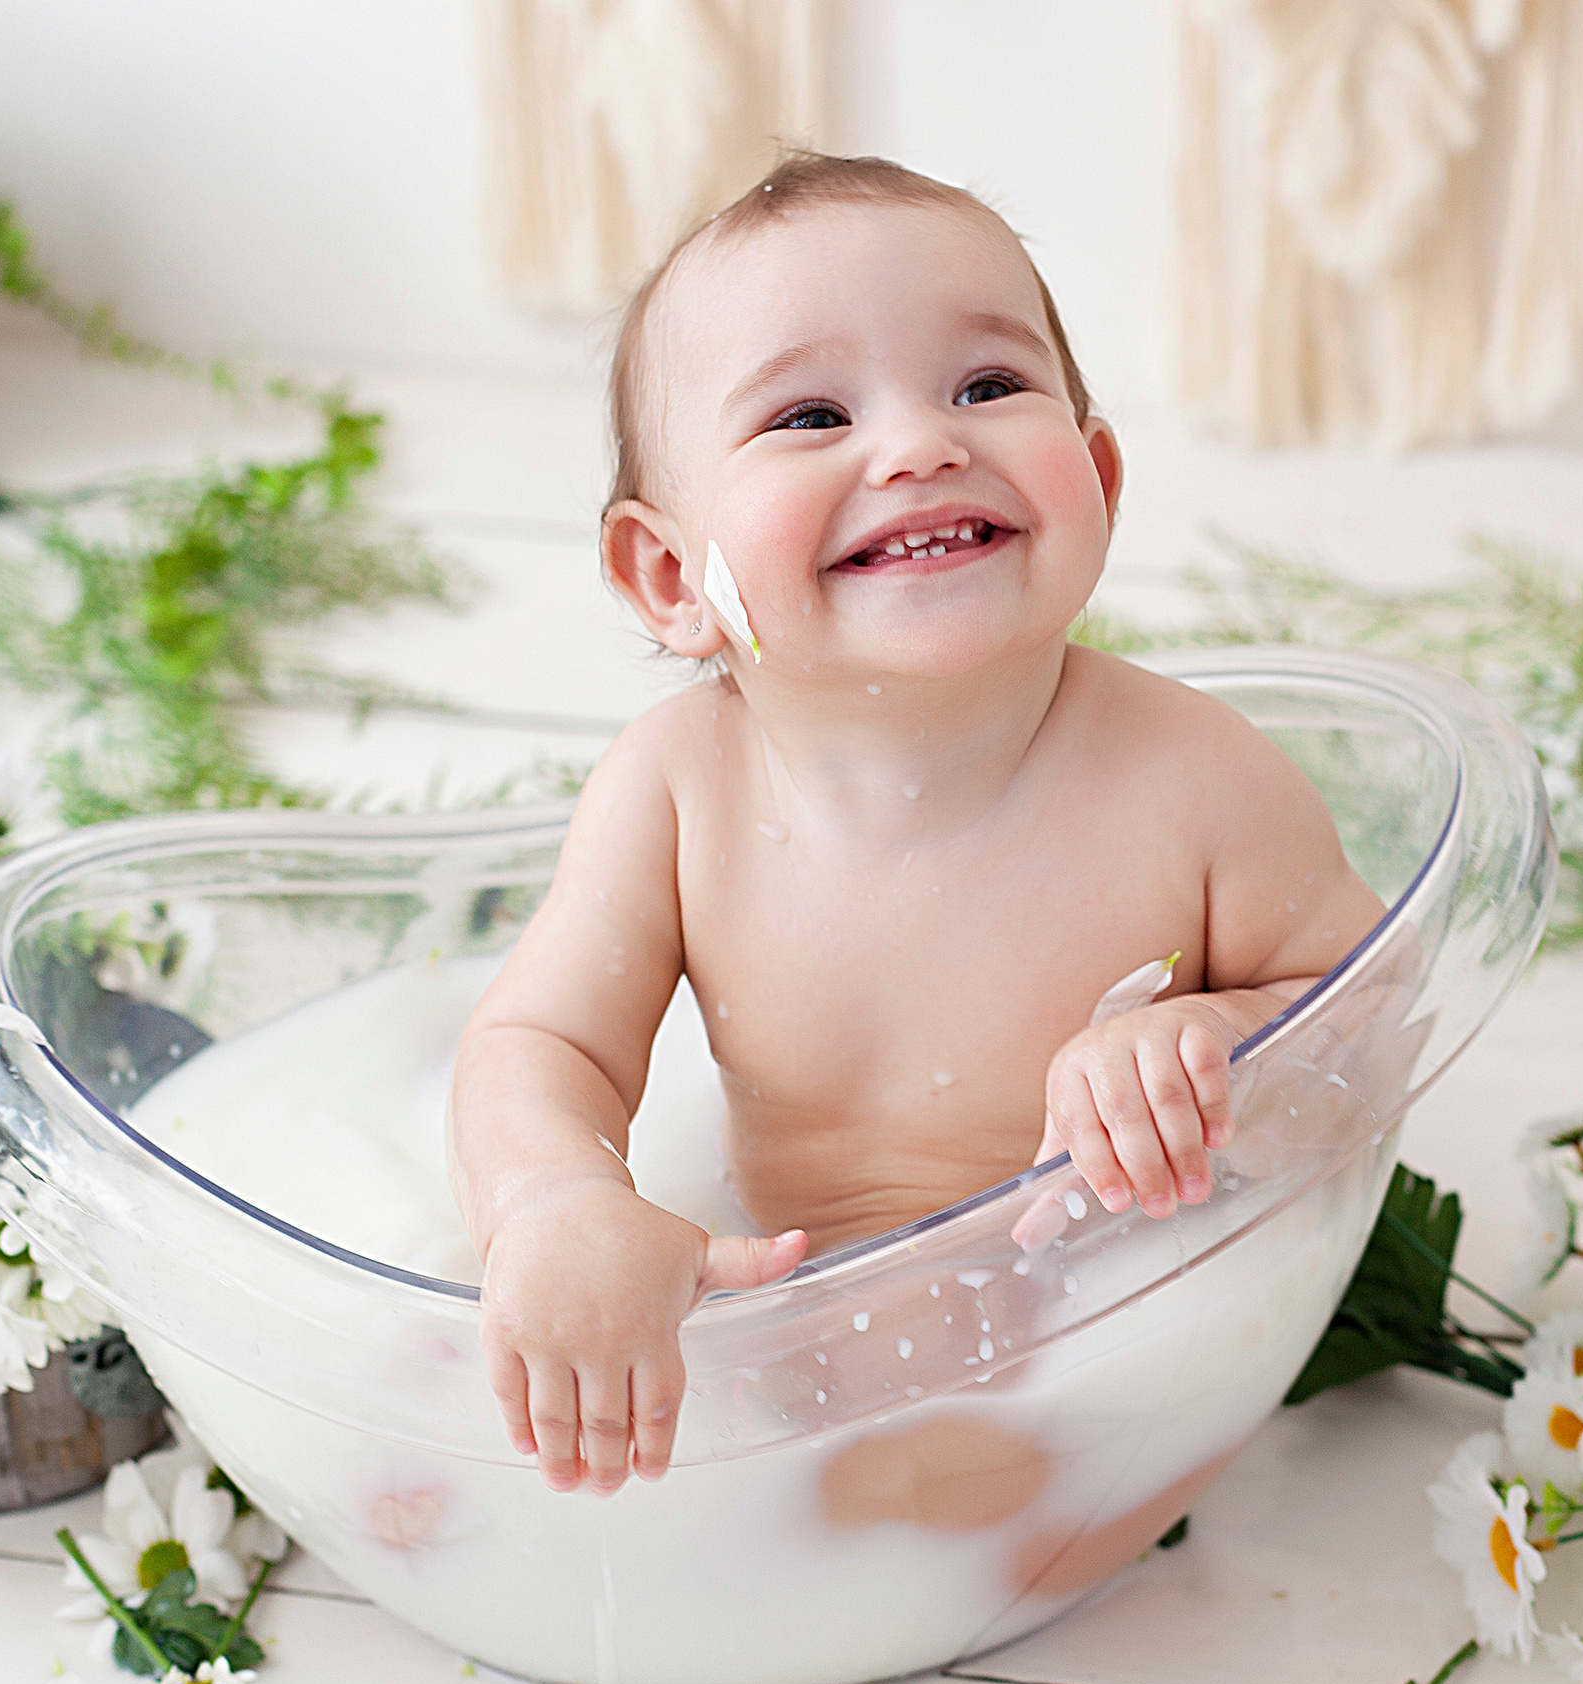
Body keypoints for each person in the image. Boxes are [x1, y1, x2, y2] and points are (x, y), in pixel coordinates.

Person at [446, 153, 1384, 1499]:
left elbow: (1375, 1006)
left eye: (989, 387)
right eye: (812, 414)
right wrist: (554, 1200)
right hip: (782, 1346)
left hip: (1124, 1347)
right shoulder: (676, 793)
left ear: (1101, 478)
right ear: (668, 573)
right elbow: (538, 1044)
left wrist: (1225, 1037)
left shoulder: (1196, 781)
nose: (922, 445)